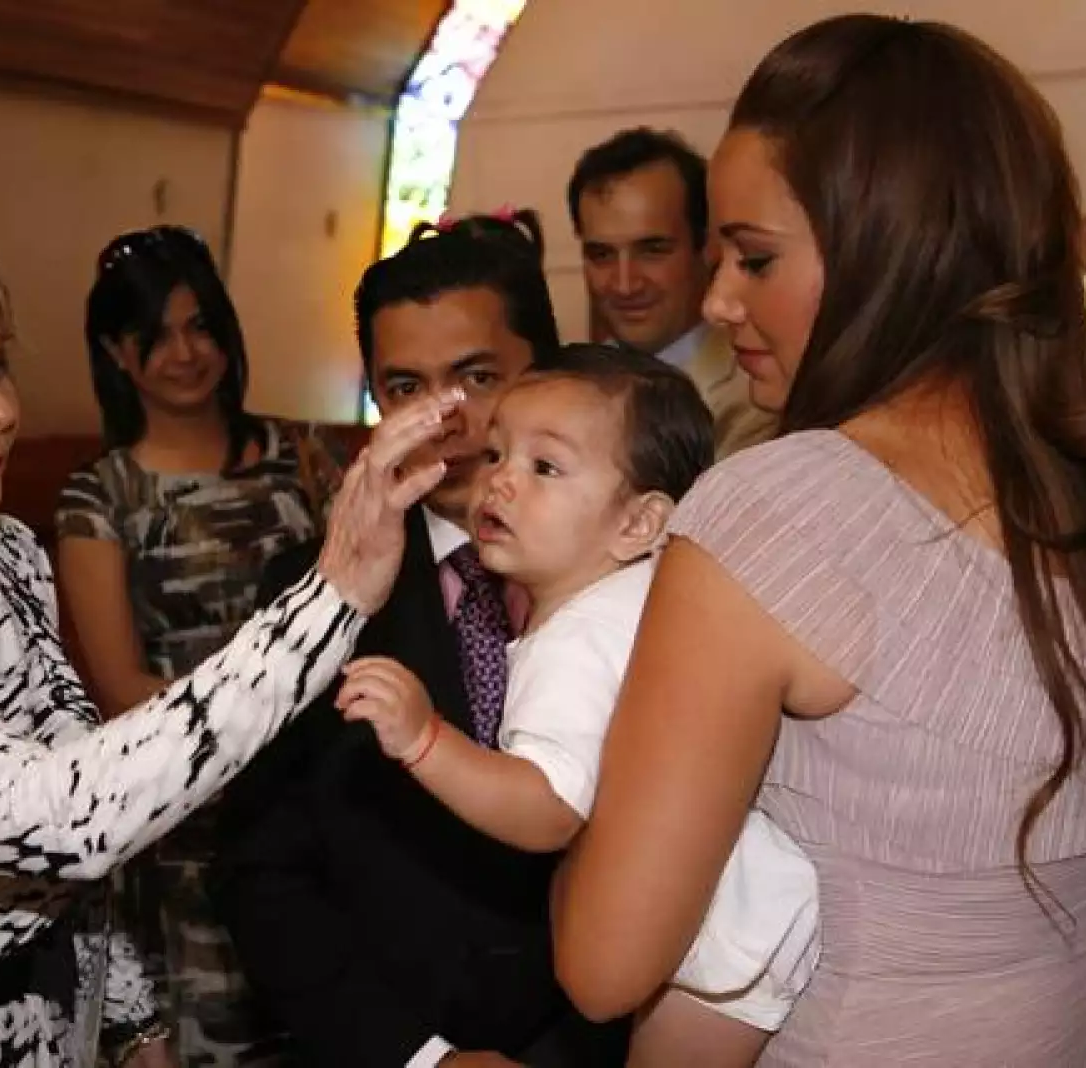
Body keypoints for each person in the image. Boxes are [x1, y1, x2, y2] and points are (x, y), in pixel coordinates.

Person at [552, 15, 1086, 1066]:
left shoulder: (770, 512)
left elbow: (604, 962)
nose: (718, 301)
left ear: (891, 251)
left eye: (754, 260)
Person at [0, 184, 461, 1066]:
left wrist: (131, 1022)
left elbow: (79, 762)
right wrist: (330, 596)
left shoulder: (7, 558)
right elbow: (58, 817)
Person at [216, 214, 628, 1068]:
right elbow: (266, 872)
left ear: (543, 372)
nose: (447, 418)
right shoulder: (313, 591)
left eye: (477, 376)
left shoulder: (639, 576)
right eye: (406, 388)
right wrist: (423, 1058)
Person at [338, 345, 816, 1068]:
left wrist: (426, 741)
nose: (500, 481)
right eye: (497, 454)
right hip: (747, 901)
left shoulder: (577, 641)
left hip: (713, 948)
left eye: (545, 467)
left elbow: (548, 808)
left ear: (638, 523)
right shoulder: (650, 590)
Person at [56, 225, 343, 1066]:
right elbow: (116, 682)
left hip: (316, 801)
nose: (186, 353)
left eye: (202, 326)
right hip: (184, 817)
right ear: (116, 351)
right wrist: (253, 742)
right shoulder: (103, 494)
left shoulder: (307, 458)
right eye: (159, 334)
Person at [569, 128, 775, 458]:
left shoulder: (753, 395)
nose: (624, 284)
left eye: (652, 250)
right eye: (601, 255)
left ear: (707, 246)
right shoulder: (566, 383)